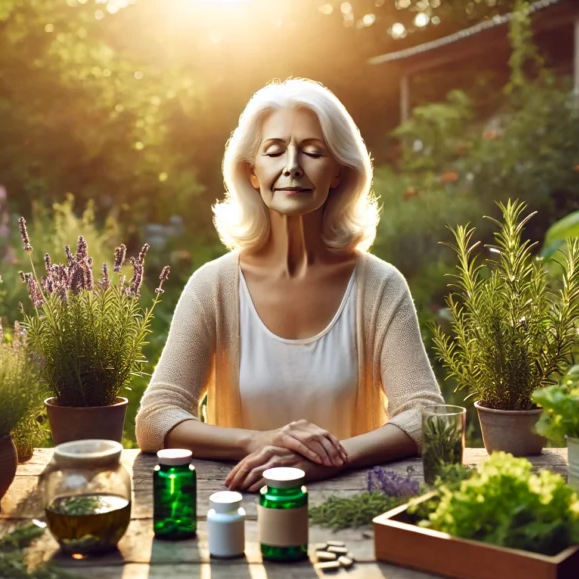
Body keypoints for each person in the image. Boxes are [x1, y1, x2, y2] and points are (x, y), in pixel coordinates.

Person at [135, 78, 443, 492]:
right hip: (237, 510)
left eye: (313, 152)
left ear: (337, 172)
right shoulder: (212, 286)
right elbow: (156, 418)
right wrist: (257, 441)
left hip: (353, 508)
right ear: (252, 172)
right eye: (274, 151)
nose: (292, 165)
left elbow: (427, 416)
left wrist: (331, 459)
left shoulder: (380, 286)